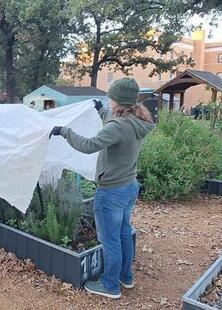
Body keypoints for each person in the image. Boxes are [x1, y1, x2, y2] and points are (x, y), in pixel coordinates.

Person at [50, 77, 154, 299]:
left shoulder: (119, 126)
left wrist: (64, 131)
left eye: (110, 97)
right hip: (129, 187)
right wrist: (100, 111)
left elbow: (88, 146)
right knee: (124, 233)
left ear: (118, 100)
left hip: (112, 191)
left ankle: (110, 285)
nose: (108, 100)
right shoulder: (136, 120)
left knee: (110, 240)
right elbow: (116, 125)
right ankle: (125, 277)